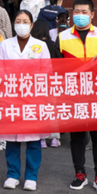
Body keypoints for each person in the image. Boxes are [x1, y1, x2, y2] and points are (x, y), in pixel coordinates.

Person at [58, 0, 97, 194]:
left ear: (92, 14)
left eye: (84, 12)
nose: (80, 15)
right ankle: (79, 174)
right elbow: (55, 68)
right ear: (71, 13)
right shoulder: (62, 37)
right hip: (73, 95)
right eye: (76, 11)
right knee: (77, 137)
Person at [0, 10, 50, 191]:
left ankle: (31, 177)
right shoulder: (5, 45)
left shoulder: (40, 46)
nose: (21, 24)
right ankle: (12, 175)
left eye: (25, 21)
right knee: (12, 140)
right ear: (13, 24)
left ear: (32, 25)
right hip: (10, 98)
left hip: (32, 99)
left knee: (33, 140)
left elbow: (47, 72)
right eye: (18, 21)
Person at [30, 19, 61, 149]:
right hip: (52, 81)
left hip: (35, 81)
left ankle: (41, 138)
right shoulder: (52, 44)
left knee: (39, 110)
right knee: (51, 110)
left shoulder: (33, 46)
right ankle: (54, 138)